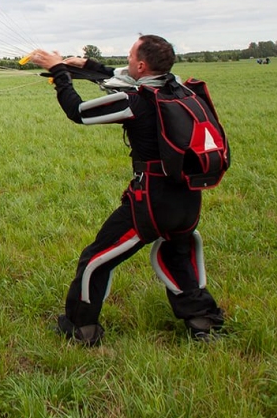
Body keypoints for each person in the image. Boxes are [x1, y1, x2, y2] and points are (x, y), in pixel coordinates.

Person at [28, 35, 225, 345]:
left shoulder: (136, 103)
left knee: (96, 260)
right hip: (188, 201)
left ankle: (81, 329)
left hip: (152, 204)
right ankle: (203, 322)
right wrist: (87, 66)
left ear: (142, 65)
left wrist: (59, 73)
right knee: (177, 256)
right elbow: (119, 78)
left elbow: (78, 111)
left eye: (131, 56)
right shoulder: (179, 89)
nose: (128, 60)